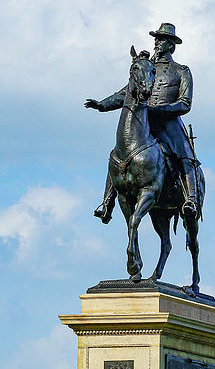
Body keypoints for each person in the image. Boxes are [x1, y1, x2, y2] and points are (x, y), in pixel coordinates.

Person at [85, 23, 201, 223]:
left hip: (169, 124)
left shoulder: (181, 71)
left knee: (185, 156)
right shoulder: (146, 68)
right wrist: (101, 105)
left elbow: (185, 103)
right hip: (144, 123)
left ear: (171, 45)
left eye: (162, 39)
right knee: (118, 154)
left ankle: (190, 199)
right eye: (156, 38)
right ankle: (107, 203)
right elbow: (125, 93)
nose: (157, 42)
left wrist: (160, 110)